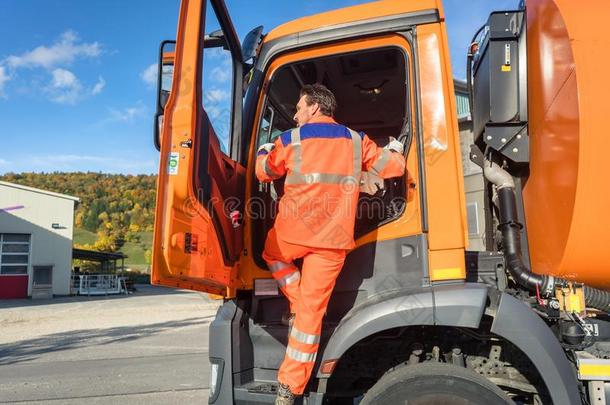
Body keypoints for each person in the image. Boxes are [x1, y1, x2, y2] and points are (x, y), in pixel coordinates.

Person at [255, 83, 406, 404]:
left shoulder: (290, 140)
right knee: (311, 317)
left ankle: (293, 302)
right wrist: (394, 150)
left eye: (298, 108)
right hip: (332, 242)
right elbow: (394, 168)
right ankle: (289, 388)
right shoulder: (356, 141)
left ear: (313, 107)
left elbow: (263, 172)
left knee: (271, 254)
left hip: (290, 236)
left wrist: (263, 150)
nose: (295, 115)